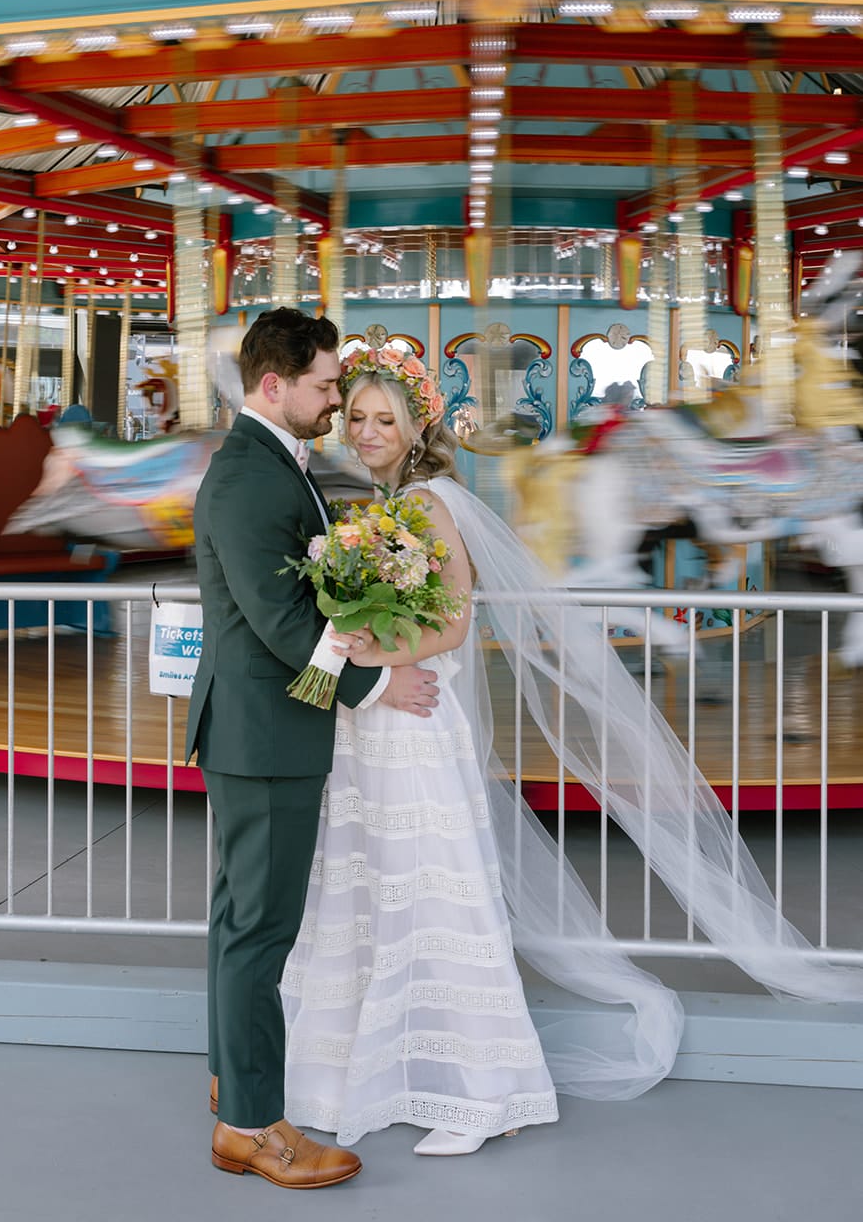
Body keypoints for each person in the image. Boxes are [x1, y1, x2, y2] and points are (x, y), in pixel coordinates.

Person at [282, 342, 863, 1156]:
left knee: (437, 894)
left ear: (417, 428)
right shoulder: (380, 507)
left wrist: (358, 652)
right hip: (374, 727)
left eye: (386, 418)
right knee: (373, 890)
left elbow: (451, 620)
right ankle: (359, 1072)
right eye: (358, 418)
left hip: (413, 720)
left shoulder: (427, 502)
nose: (368, 431)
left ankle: (487, 1091)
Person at [186, 308, 441, 1190]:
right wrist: (379, 684)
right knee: (261, 932)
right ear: (273, 385)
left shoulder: (269, 463)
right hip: (264, 735)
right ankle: (255, 1128)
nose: (336, 402)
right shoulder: (251, 478)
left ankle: (233, 1089)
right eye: (327, 386)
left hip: (259, 731)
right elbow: (284, 621)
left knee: (240, 926)